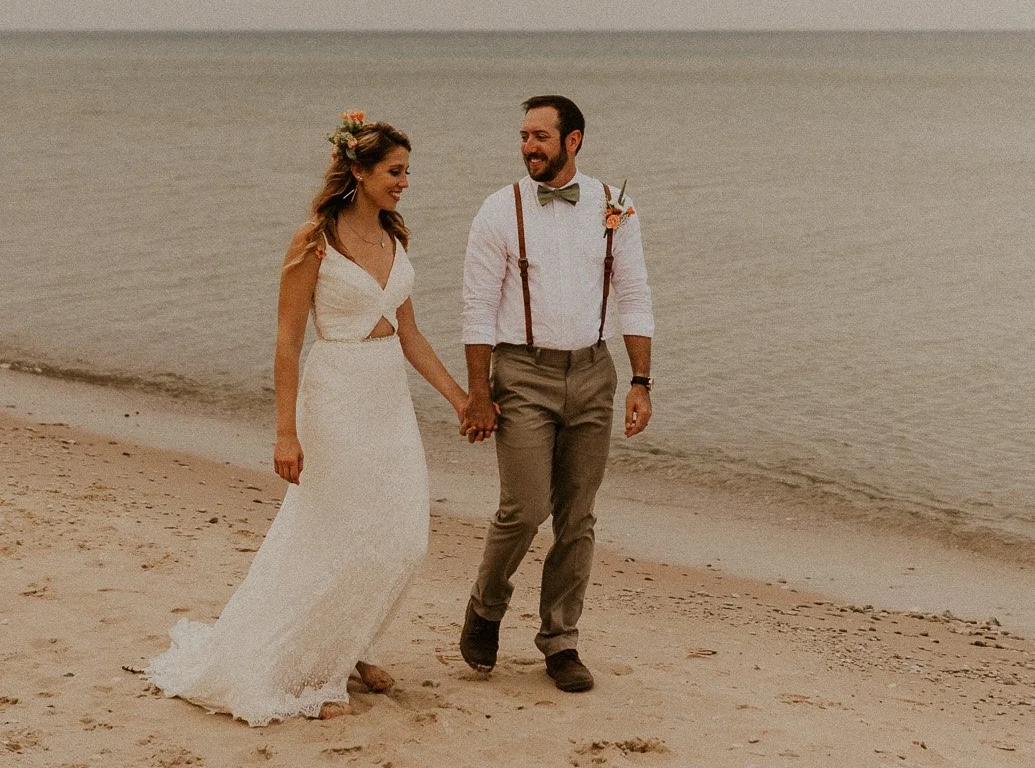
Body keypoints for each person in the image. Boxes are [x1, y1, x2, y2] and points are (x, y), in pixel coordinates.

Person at [146, 113, 468, 723]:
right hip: (337, 394)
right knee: (336, 533)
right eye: (395, 172)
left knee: (404, 534)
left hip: (387, 398)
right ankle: (314, 673)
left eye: (407, 172)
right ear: (359, 171)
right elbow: (287, 342)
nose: (404, 183)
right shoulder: (314, 240)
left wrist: (459, 399)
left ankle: (359, 642)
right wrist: (285, 430)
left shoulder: (396, 237)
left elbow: (411, 333)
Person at [457, 94, 654, 692]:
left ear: (574, 140)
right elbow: (477, 309)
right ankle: (486, 606)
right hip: (522, 374)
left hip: (595, 372)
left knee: (578, 515)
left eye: (540, 136)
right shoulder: (499, 209)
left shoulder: (614, 208)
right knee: (524, 506)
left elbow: (635, 296)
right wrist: (478, 394)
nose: (528, 147)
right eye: (523, 136)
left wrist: (641, 382)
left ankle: (561, 640)